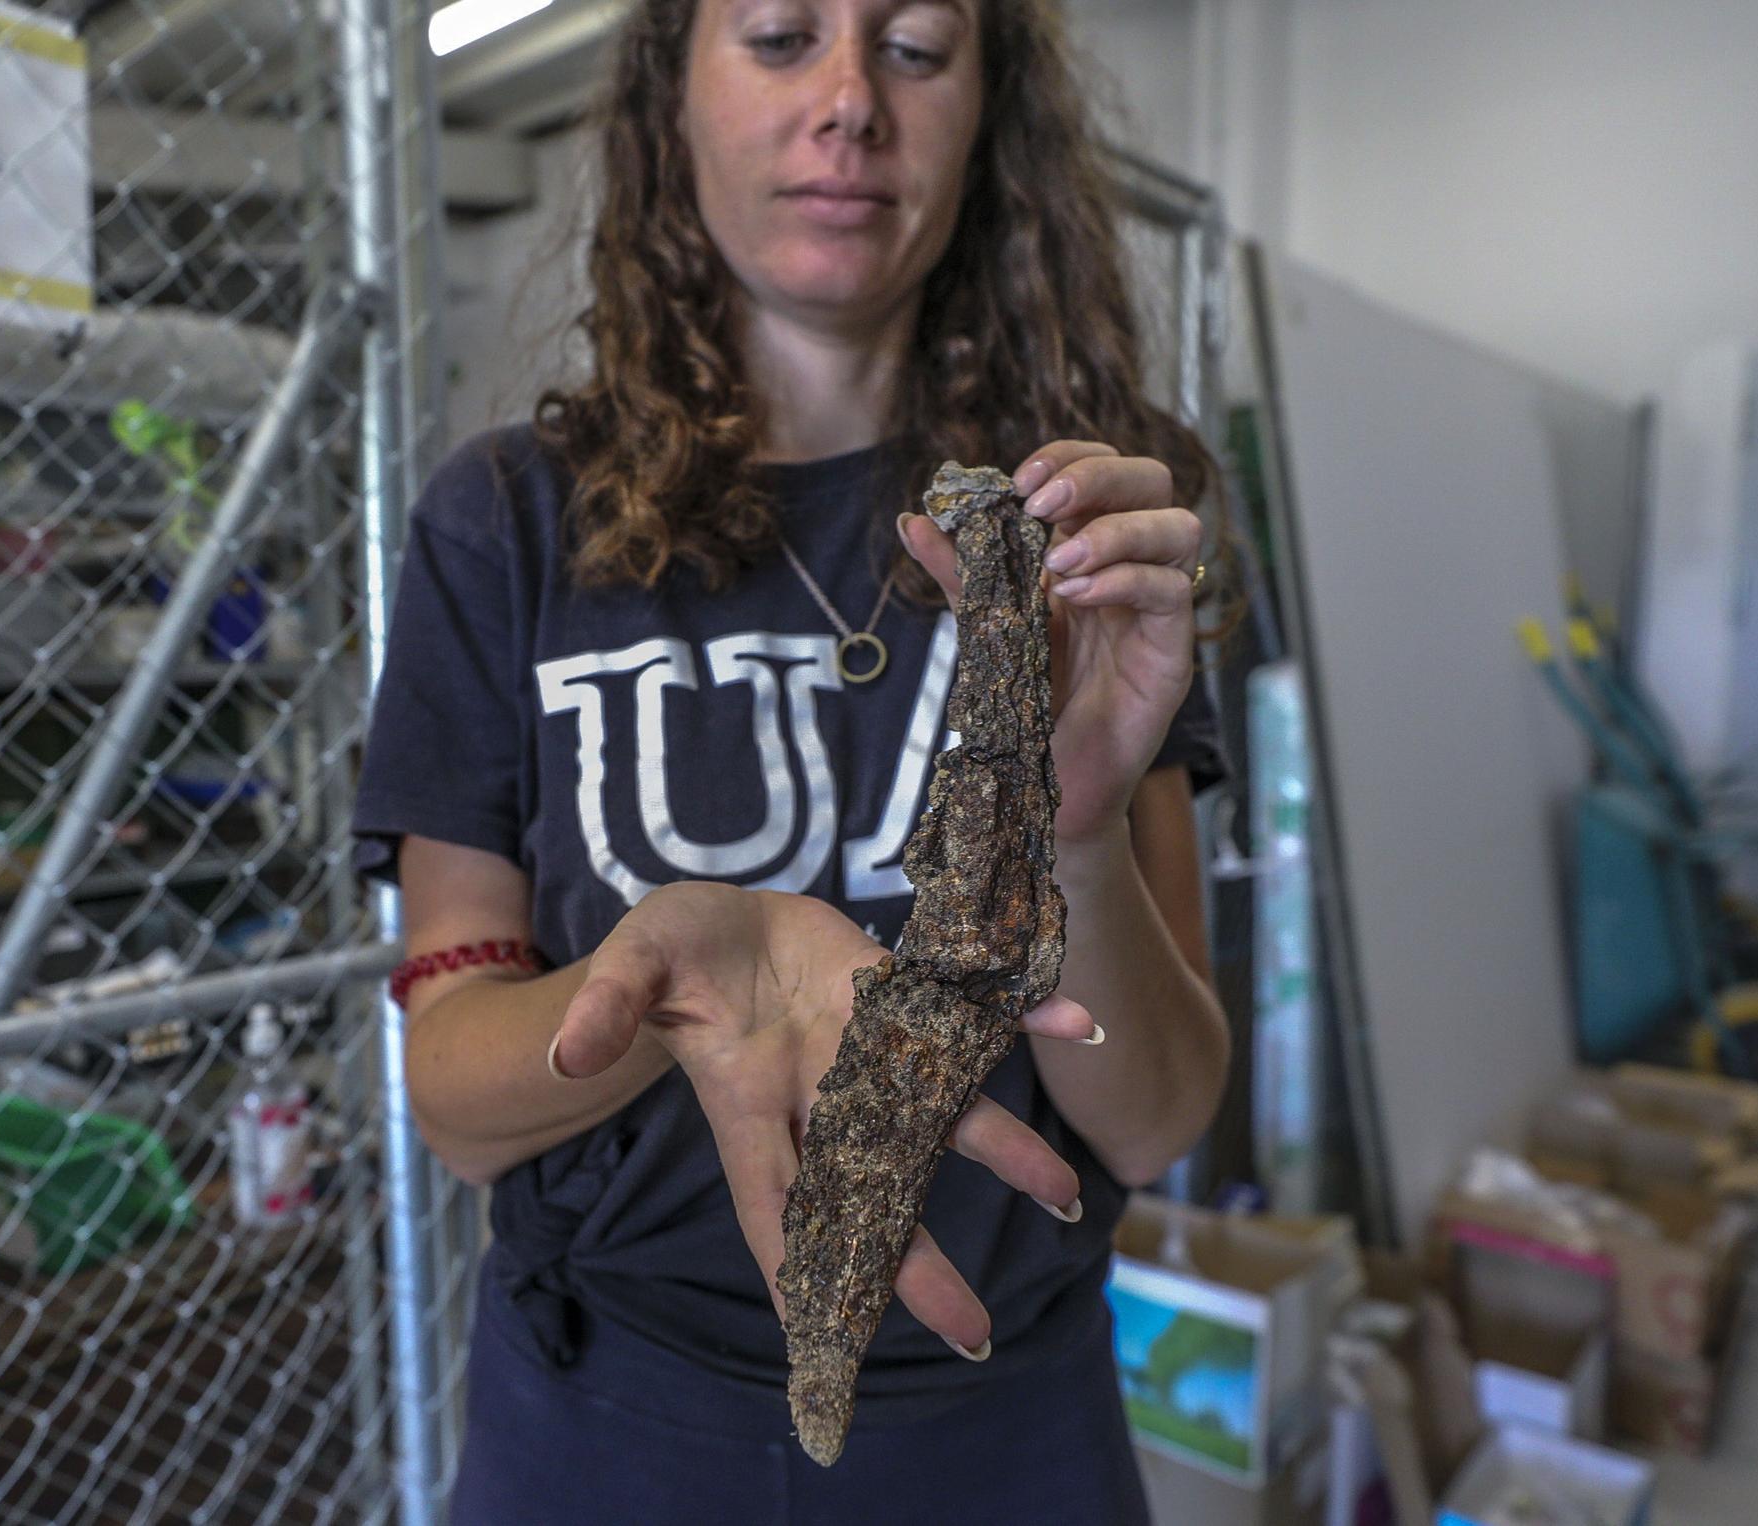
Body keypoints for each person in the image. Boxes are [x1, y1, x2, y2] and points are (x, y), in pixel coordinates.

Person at [353, 0, 1234, 1519]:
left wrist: (1075, 828)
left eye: (913, 46)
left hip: (1002, 1418)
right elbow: (453, 1090)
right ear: (669, 99)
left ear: (987, 105)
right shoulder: (504, 523)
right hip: (605, 1411)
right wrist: (681, 971)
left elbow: (1156, 1115)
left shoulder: (1077, 522)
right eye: (776, 35)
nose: (848, 104)